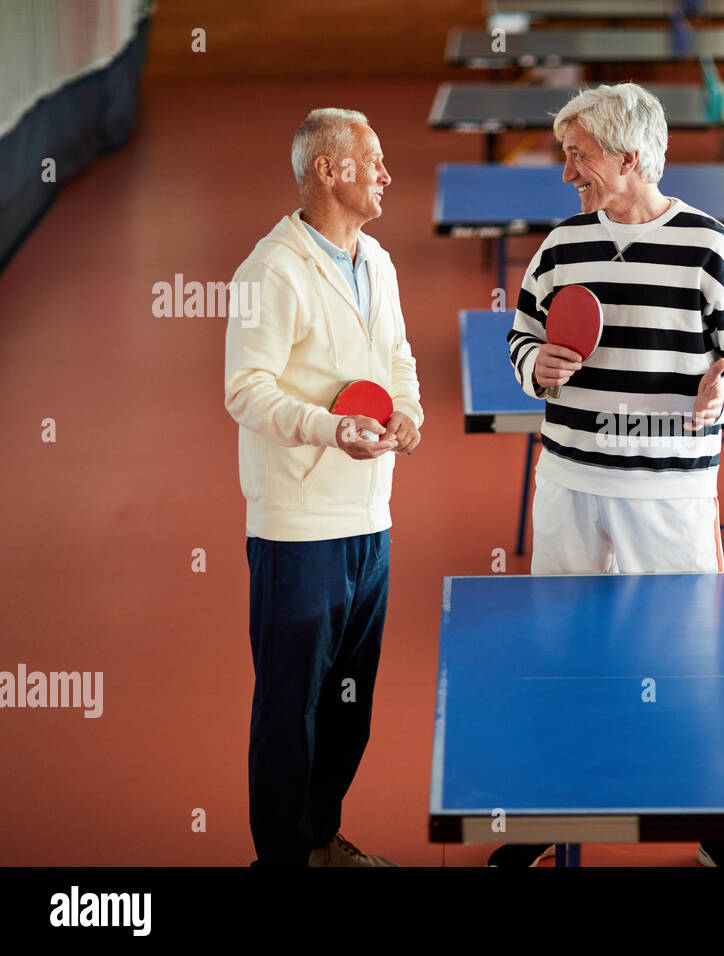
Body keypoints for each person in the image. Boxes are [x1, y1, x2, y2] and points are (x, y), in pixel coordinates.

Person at [499, 84, 724, 868]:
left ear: (629, 158)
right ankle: (545, 814)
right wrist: (536, 368)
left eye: (577, 157)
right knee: (561, 655)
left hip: (670, 494)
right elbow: (522, 339)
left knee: (683, 661)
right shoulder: (559, 247)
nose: (566, 174)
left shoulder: (709, 248)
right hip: (568, 484)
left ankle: (707, 822)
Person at [225, 108, 423, 866]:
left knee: (348, 707)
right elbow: (244, 390)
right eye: (372, 160)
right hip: (298, 526)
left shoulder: (377, 261)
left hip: (370, 517)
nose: (385, 174)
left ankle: (318, 839)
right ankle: (279, 858)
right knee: (289, 710)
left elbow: (398, 356)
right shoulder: (266, 271)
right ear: (329, 171)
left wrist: (407, 413)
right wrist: (326, 427)